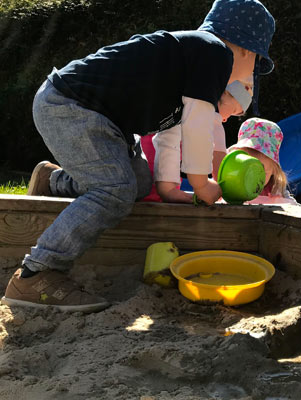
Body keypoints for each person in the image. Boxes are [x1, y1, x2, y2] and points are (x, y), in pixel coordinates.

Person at [1, 0, 275, 312]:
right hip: (72, 106)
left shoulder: (192, 69)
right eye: (255, 63)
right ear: (245, 50)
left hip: (101, 119)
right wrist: (201, 185)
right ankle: (36, 273)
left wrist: (168, 189)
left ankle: (54, 181)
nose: (249, 75)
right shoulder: (213, 51)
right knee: (115, 191)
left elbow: (170, 135)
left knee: (139, 183)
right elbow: (199, 125)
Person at [141, 78, 253, 203]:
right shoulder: (212, 116)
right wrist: (221, 190)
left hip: (143, 170)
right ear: (225, 93)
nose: (226, 119)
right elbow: (220, 167)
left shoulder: (181, 97)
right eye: (233, 112)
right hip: (162, 181)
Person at [151, 116, 297, 205]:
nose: (252, 175)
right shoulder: (230, 181)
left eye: (262, 170)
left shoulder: (276, 190)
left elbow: (292, 207)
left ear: (273, 171)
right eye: (247, 165)